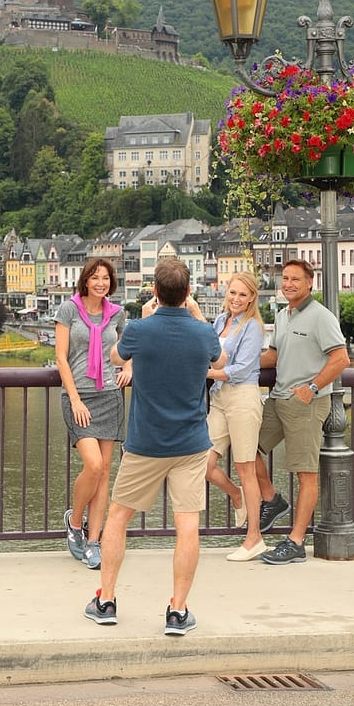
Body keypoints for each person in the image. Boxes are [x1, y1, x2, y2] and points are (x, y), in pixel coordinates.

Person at [84, 258, 225, 635]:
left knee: (117, 519)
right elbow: (221, 358)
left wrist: (145, 318)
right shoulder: (203, 332)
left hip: (145, 442)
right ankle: (177, 610)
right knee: (187, 525)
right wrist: (195, 315)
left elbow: (116, 357)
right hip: (191, 443)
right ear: (189, 293)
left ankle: (107, 599)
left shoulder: (141, 329)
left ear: (156, 292)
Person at [256, 259, 350, 564]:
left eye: (295, 279)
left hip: (305, 403)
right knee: (247, 449)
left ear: (310, 284)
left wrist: (311, 388)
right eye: (285, 278)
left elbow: (341, 359)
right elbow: (273, 355)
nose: (288, 284)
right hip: (278, 398)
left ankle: (295, 542)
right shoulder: (283, 315)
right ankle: (272, 499)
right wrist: (231, 363)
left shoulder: (321, 317)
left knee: (305, 473)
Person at [55, 258, 131, 570]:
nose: (100, 283)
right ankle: (75, 522)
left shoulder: (117, 313)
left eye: (105, 278)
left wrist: (128, 366)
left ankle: (95, 540)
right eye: (95, 278)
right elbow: (60, 357)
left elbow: (129, 348)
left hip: (110, 396)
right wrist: (75, 400)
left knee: (104, 475)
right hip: (79, 397)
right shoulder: (69, 310)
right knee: (94, 465)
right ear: (85, 280)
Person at [204, 272, 268, 562]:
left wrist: (210, 373)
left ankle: (254, 538)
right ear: (225, 293)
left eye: (243, 295)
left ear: (252, 298)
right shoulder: (219, 322)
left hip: (243, 397)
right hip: (219, 397)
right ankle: (237, 495)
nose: (236, 299)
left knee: (246, 469)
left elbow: (242, 368)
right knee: (201, 463)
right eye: (233, 293)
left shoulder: (253, 327)